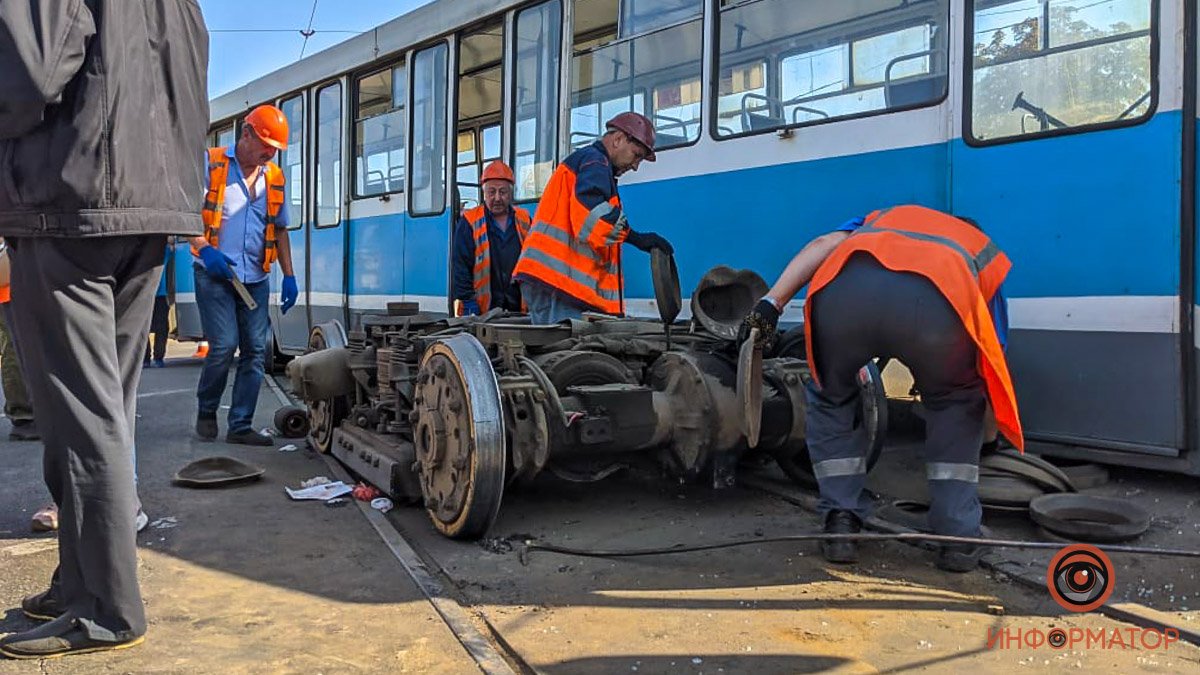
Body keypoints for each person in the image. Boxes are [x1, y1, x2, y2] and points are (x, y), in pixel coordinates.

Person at [0, 0, 209, 659]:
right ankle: (82, 578)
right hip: (147, 207)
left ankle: (106, 607)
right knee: (103, 411)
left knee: (80, 415)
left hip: (72, 197)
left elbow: (30, 69)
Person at [739, 205, 1022, 573]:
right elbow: (988, 367)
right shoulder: (979, 250)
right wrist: (985, 433)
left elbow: (825, 243)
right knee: (955, 403)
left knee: (831, 396)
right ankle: (958, 539)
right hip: (941, 310)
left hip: (844, 297)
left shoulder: (885, 218)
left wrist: (771, 303)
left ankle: (840, 524)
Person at [189, 104, 299, 446]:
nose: (270, 154)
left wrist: (290, 276)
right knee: (223, 346)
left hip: (255, 277)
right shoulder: (212, 163)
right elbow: (186, 215)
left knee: (255, 352)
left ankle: (240, 426)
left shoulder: (274, 177)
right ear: (246, 133)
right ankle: (207, 409)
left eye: (275, 150)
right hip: (214, 273)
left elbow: (280, 231)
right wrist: (204, 248)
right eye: (266, 146)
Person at [512, 112, 674, 323]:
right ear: (618, 140)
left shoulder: (593, 164)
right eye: (636, 155)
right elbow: (591, 213)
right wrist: (636, 238)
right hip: (556, 283)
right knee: (563, 352)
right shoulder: (595, 161)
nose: (635, 166)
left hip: (553, 282)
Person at [452, 161, 532, 315]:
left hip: (518, 308)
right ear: (484, 194)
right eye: (491, 192)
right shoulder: (469, 222)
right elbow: (461, 266)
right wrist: (467, 300)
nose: (497, 198)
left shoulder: (525, 219)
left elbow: (534, 260)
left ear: (510, 193)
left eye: (502, 192)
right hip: (482, 311)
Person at [0, 240, 38, 441]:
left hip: (10, 280)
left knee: (16, 345)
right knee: (16, 346)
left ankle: (25, 411)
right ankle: (23, 413)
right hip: (8, 284)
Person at [145, 243, 173, 368]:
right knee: (144, 328)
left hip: (157, 294)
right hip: (146, 294)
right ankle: (149, 358)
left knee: (161, 327)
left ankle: (155, 357)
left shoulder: (164, 251)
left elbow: (171, 244)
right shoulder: (162, 252)